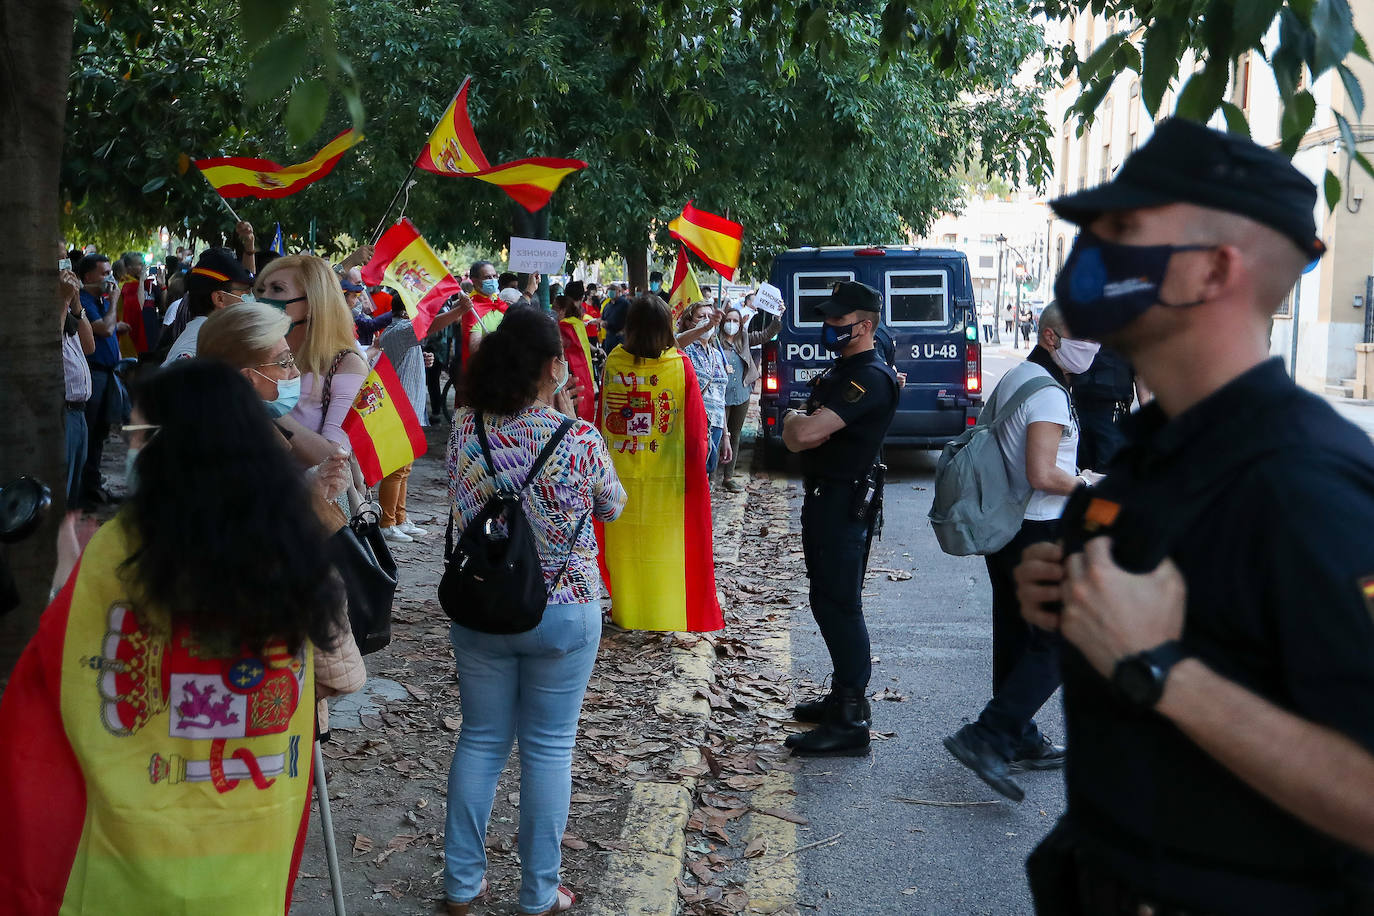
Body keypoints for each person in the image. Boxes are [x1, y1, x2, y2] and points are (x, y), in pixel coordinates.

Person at [1014, 117, 1374, 914]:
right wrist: (1070, 597)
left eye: (1123, 229)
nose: (1090, 251)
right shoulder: (1156, 452)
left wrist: (1157, 667)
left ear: (1215, 269)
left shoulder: (1305, 483)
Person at [0, 360, 350, 913]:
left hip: (130, 859)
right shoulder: (290, 549)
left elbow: (57, 677)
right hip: (250, 848)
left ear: (177, 444)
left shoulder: (120, 553)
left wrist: (67, 586)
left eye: (138, 434)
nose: (130, 447)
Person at [444, 306, 626, 916]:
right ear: (553, 367)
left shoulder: (464, 426)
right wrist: (569, 419)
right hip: (564, 610)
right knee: (548, 749)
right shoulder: (577, 438)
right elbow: (612, 506)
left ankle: (462, 887)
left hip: (481, 606)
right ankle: (538, 894)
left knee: (481, 740)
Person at [941, 302, 1099, 802]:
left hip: (1006, 528)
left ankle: (1021, 736)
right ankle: (988, 735)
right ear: (1051, 337)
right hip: (1037, 530)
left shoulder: (1020, 375)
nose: (1092, 347)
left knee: (1017, 632)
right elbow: (1042, 474)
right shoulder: (1050, 395)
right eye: (1082, 336)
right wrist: (1088, 487)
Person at [779, 281, 898, 756]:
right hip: (828, 497)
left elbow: (802, 433)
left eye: (838, 322)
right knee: (826, 598)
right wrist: (801, 425)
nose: (828, 327)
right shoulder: (848, 368)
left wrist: (793, 423)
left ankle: (851, 717)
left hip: (843, 501)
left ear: (865, 326)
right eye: (827, 319)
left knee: (839, 603)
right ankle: (842, 696)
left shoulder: (867, 377)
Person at [597, 295, 723, 633]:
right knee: (664, 546)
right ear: (668, 326)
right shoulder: (680, 367)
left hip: (621, 479)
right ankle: (664, 610)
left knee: (624, 548)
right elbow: (697, 433)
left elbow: (604, 420)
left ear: (630, 326)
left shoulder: (614, 362)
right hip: (668, 479)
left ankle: (626, 609)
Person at [373, 293, 467, 542]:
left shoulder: (401, 332)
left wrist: (423, 360)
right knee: (396, 468)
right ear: (406, 311)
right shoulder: (400, 329)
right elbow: (428, 325)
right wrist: (458, 311)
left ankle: (399, 518)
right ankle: (387, 522)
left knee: (404, 468)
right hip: (398, 409)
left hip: (408, 408)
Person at [256, 254, 368, 460]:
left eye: (277, 289)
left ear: (312, 303)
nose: (263, 298)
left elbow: (335, 457)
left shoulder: (347, 365)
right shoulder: (253, 351)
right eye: (261, 289)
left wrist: (265, 404)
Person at [76, 252, 128, 508]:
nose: (109, 278)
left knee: (100, 433)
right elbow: (103, 328)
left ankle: (93, 484)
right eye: (104, 273)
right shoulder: (84, 298)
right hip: (93, 374)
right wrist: (115, 302)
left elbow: (107, 328)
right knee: (91, 430)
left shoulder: (98, 300)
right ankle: (83, 490)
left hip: (106, 374)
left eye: (110, 272)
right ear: (88, 277)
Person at [718, 305, 780, 491]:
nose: (731, 324)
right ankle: (710, 474)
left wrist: (777, 319)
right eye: (728, 320)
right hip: (720, 397)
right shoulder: (715, 341)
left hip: (741, 394)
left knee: (734, 435)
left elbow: (765, 335)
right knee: (719, 436)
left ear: (740, 323)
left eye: (735, 321)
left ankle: (728, 477)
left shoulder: (743, 338)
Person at [160, 248, 256, 364]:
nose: (251, 298)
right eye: (246, 292)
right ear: (219, 299)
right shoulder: (197, 347)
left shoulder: (212, 339)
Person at [677, 302, 732, 474]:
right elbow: (677, 341)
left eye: (711, 317)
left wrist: (725, 435)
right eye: (701, 316)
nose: (708, 321)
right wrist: (706, 326)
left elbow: (720, 398)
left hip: (714, 426)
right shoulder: (684, 348)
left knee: (706, 477)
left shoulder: (717, 354)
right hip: (691, 425)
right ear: (688, 322)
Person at [1070, 345, 1143, 471]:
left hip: (1112, 412)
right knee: (1081, 468)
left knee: (1111, 468)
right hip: (1080, 409)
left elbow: (1141, 375)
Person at [59, 257, 94, 511]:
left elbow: (89, 346)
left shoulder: (69, 314)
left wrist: (76, 302)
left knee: (74, 488)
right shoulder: (50, 312)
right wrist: (63, 300)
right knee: (62, 485)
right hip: (64, 412)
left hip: (79, 412)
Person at [553, 295, 596, 422]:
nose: (553, 312)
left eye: (555, 308)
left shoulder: (564, 326)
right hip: (586, 372)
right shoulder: (578, 323)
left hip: (572, 372)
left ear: (562, 310)